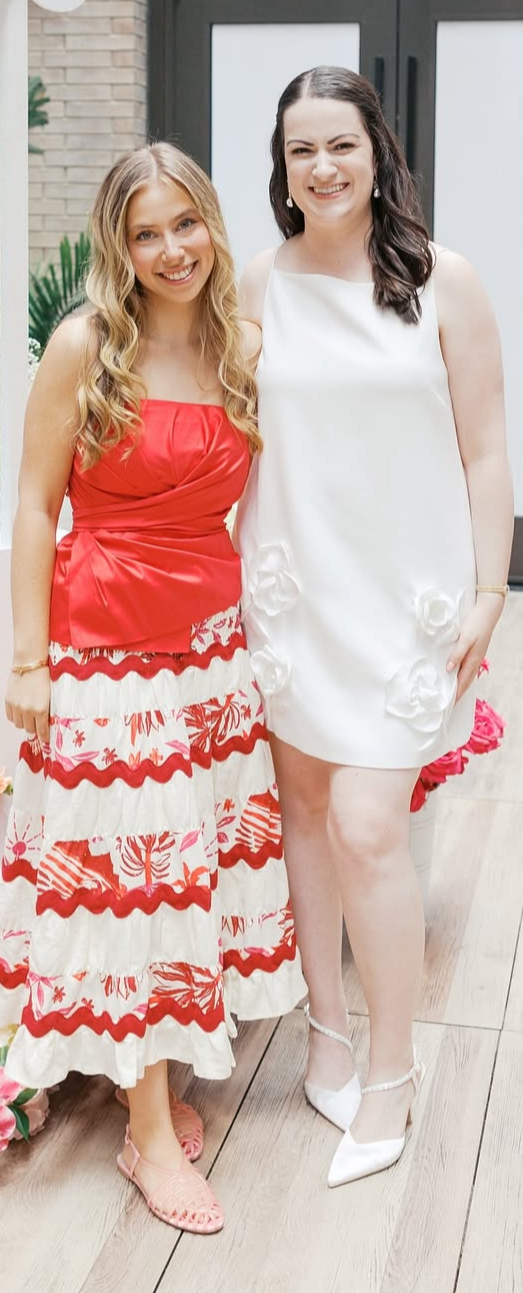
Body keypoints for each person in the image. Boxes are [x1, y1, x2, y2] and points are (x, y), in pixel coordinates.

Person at [0, 143, 305, 1235]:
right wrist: (29, 660)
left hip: (210, 649)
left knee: (184, 877)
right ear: (120, 245)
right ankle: (151, 1132)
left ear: (212, 224)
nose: (171, 251)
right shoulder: (84, 345)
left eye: (186, 225)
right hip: (103, 651)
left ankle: (145, 1083)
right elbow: (33, 506)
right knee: (131, 887)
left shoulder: (243, 345)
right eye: (145, 232)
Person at [237, 65, 513, 1188]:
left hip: (411, 599)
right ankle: (328, 1033)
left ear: (378, 152)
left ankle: (391, 1071)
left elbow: (489, 447)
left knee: (365, 822)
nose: (324, 167)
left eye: (341, 144)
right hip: (297, 585)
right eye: (302, 149)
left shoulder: (447, 282)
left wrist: (491, 588)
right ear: (282, 167)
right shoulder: (254, 282)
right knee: (304, 811)